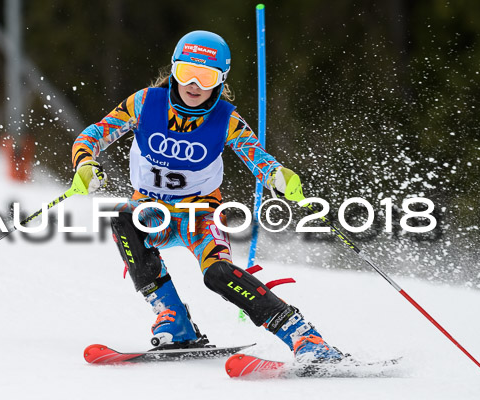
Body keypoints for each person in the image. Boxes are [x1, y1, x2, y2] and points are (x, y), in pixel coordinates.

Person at [72, 30, 344, 362]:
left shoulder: (226, 118)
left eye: (207, 77)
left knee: (218, 274)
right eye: (187, 73)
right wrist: (85, 163)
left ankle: (304, 337)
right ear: (174, 69)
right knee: (124, 218)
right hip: (152, 213)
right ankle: (175, 319)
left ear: (221, 80)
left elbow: (257, 157)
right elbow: (95, 133)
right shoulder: (145, 103)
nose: (195, 85)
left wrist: (278, 176)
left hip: (201, 214)